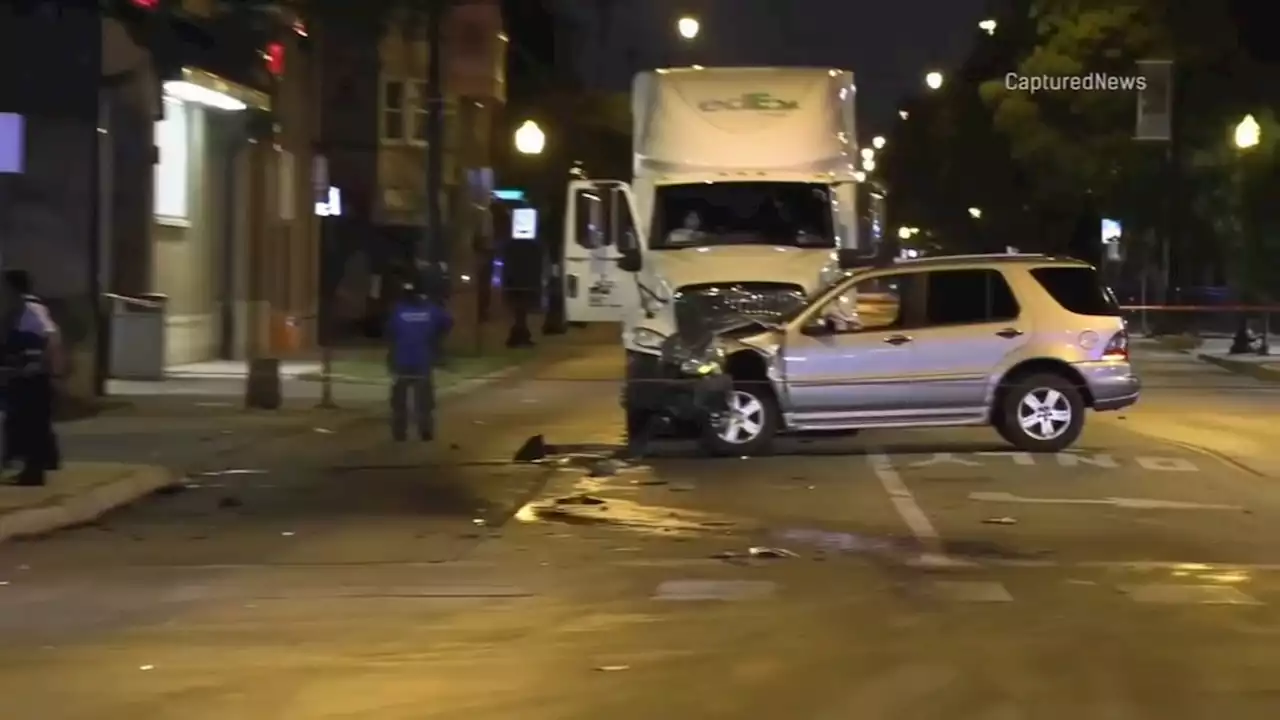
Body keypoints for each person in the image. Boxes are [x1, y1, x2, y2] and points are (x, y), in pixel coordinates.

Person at [2, 270, 62, 486]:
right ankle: (30, 466)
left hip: (33, 376)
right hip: (22, 374)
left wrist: (48, 367)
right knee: (23, 421)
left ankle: (35, 470)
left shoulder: (30, 310)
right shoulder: (17, 310)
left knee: (32, 422)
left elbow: (51, 337)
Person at [386, 279, 452, 441]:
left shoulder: (398, 310)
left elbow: (390, 331)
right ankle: (425, 430)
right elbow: (447, 323)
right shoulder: (431, 310)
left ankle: (399, 432)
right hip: (422, 361)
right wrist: (435, 337)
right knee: (424, 400)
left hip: (401, 361)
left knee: (399, 400)